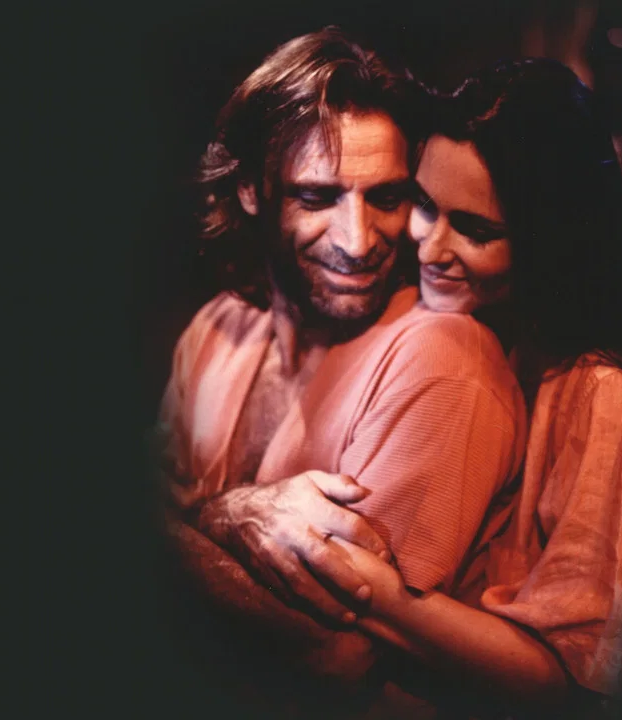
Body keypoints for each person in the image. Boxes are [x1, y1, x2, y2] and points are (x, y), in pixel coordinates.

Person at [290, 58, 622, 717]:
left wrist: (375, 591)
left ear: (552, 240)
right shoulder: (497, 335)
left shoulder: (606, 396)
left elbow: (566, 679)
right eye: (423, 205)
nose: (428, 246)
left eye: (475, 230)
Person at [155, 27, 528, 703]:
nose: (358, 243)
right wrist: (226, 516)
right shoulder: (218, 327)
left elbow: (335, 652)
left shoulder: (442, 356)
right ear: (251, 190)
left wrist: (186, 527)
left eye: (387, 198)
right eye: (317, 197)